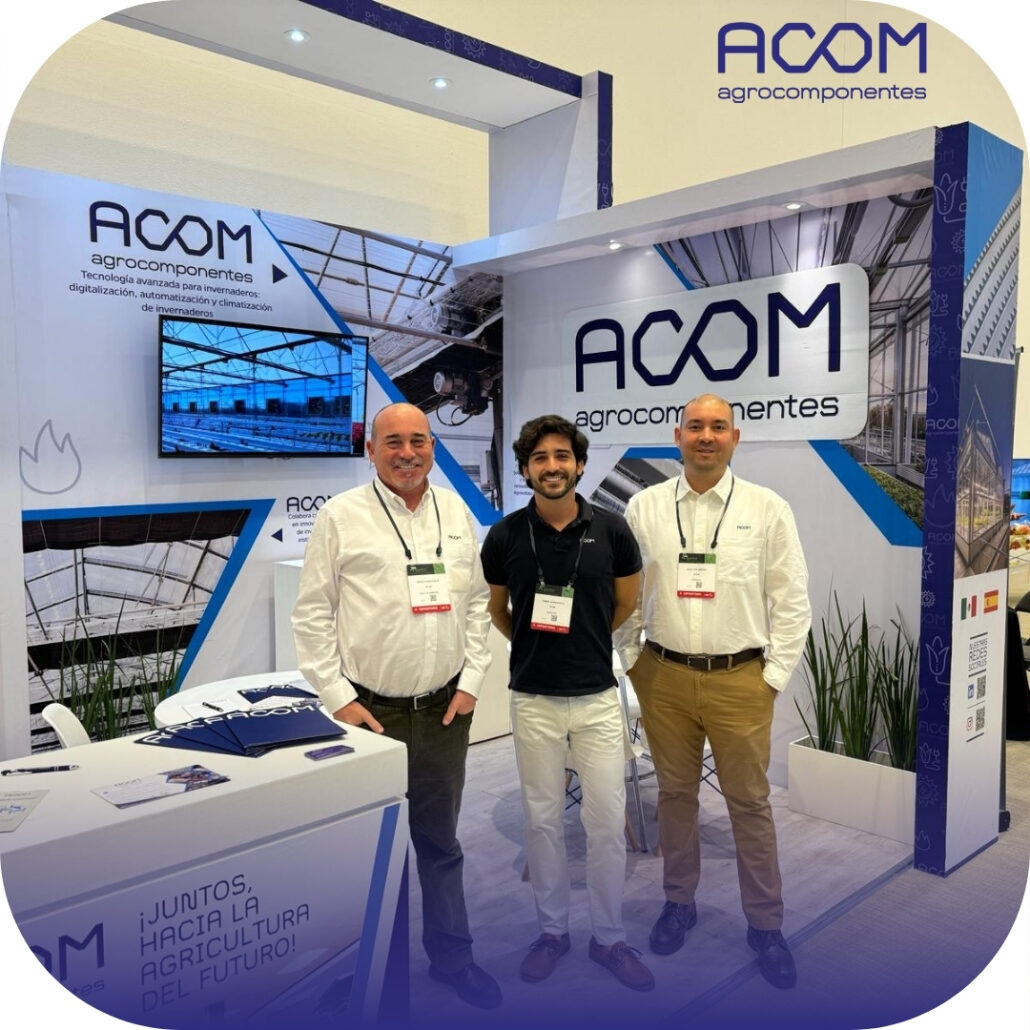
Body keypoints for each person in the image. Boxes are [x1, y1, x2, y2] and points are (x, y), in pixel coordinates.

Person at [291, 401, 501, 1010]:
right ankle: (369, 974)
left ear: (432, 445)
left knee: (440, 844)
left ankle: (453, 958)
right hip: (370, 717)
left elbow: (475, 604)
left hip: (442, 712)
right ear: (371, 451)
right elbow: (312, 614)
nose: (407, 453)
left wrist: (472, 681)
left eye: (418, 441)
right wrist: (339, 698)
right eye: (393, 442)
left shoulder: (455, 511)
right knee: (368, 853)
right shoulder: (341, 516)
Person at [616, 393, 810, 990]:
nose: (706, 436)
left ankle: (766, 924)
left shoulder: (766, 508)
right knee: (675, 796)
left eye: (718, 426)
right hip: (663, 677)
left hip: (740, 679)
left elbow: (791, 599)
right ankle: (679, 902)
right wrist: (633, 661)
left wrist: (771, 678)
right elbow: (627, 596)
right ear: (677, 436)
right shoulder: (644, 507)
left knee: (750, 803)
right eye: (696, 426)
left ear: (734, 437)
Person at [481, 414, 654, 992]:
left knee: (604, 822)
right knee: (542, 820)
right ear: (525, 469)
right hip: (533, 699)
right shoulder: (505, 536)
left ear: (579, 465)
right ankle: (552, 932)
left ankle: (610, 938)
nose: (551, 467)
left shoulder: (612, 530)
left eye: (561, 456)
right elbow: (498, 611)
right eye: (539, 458)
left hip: (598, 697)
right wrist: (537, 646)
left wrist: (582, 641)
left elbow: (625, 605)